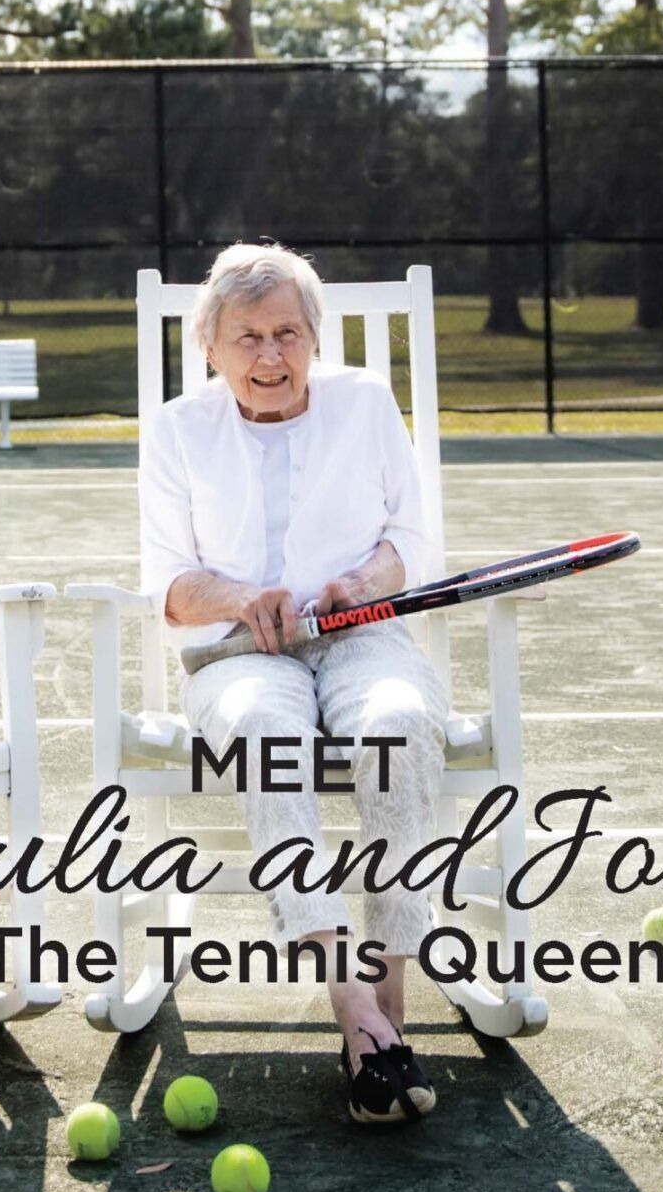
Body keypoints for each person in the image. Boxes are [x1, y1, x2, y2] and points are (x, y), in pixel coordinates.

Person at [140, 241, 449, 1124]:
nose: (268, 357)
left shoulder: (363, 403)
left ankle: (384, 998)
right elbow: (166, 583)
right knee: (267, 737)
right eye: (245, 337)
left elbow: (412, 545)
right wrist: (244, 597)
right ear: (209, 345)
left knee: (396, 726)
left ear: (315, 338)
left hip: (365, 638)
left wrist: (363, 582)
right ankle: (354, 1002)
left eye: (286, 334)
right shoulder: (174, 428)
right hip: (238, 651)